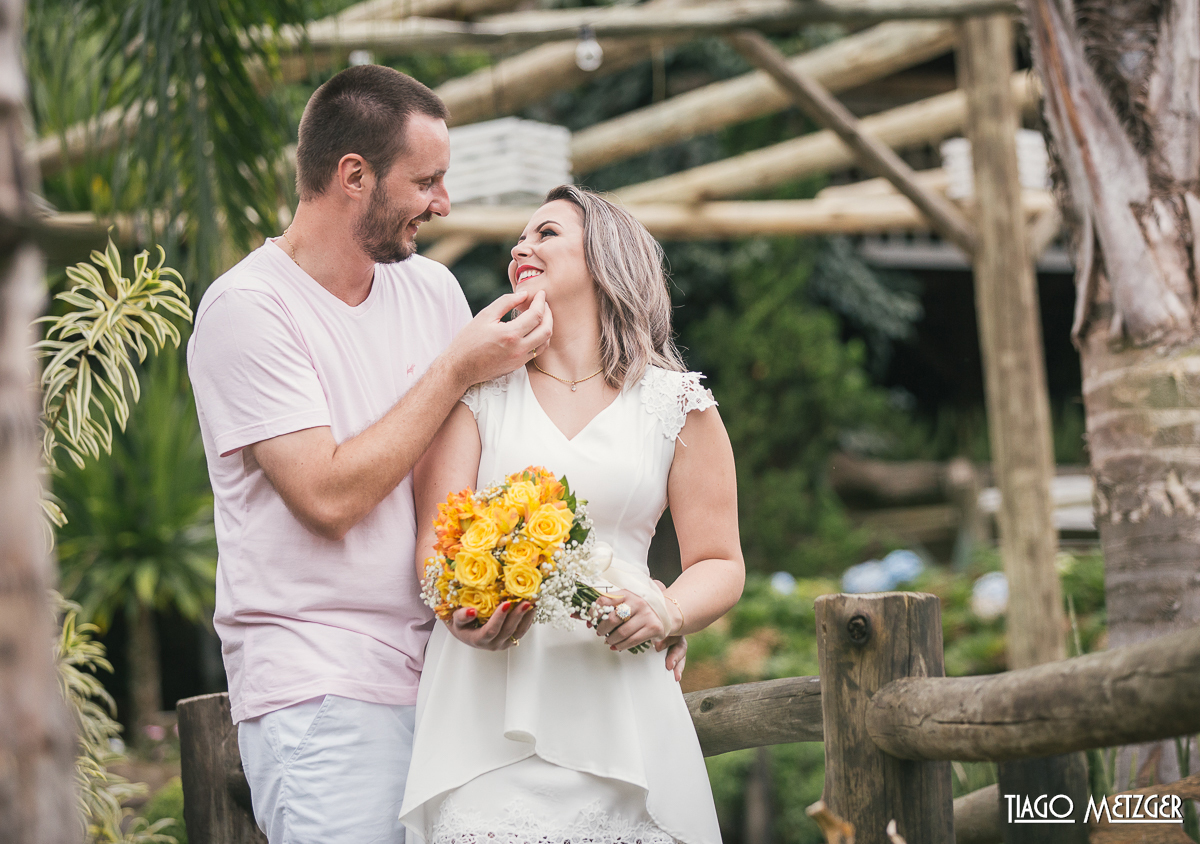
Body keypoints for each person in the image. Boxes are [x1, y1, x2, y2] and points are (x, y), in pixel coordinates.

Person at [185, 65, 559, 844]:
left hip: (447, 677)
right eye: (425, 181)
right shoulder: (247, 309)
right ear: (354, 176)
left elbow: (459, 483)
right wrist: (454, 368)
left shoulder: (433, 290)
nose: (443, 203)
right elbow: (327, 498)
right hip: (321, 688)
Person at [400, 185, 745, 844]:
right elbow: (433, 550)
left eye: (546, 233)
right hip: (484, 713)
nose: (520, 248)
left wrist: (668, 611)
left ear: (604, 257)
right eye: (519, 239)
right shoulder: (477, 397)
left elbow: (721, 562)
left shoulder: (677, 405)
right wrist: (463, 616)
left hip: (622, 707)